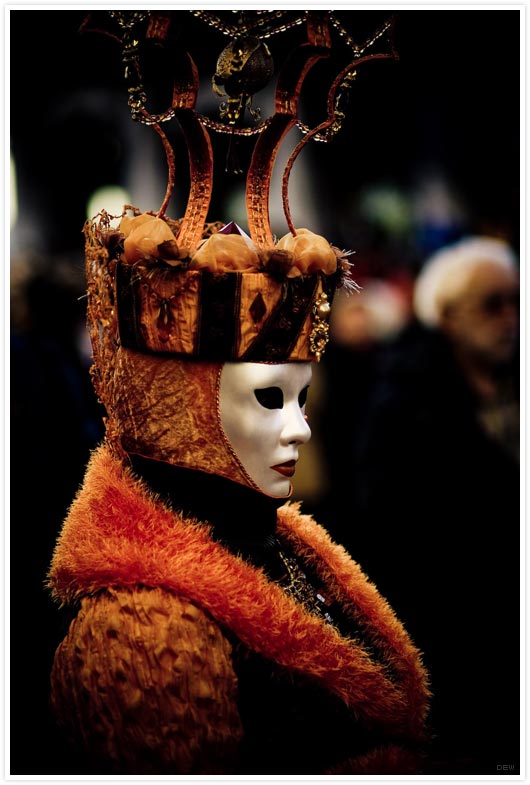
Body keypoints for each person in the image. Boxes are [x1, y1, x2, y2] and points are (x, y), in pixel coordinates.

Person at [46, 213, 431, 775]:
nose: (300, 428)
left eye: (303, 399)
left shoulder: (280, 539)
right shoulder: (142, 631)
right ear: (187, 410)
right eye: (270, 398)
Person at [344, 236, 520, 774]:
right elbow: (391, 535)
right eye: (491, 305)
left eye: (516, 301)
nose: (511, 318)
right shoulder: (404, 403)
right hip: (455, 647)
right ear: (446, 316)